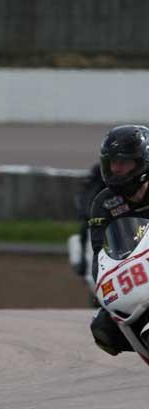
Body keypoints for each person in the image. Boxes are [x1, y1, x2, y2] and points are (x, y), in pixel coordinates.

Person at [88, 125, 149, 355]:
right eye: (111, 162)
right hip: (136, 277)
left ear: (142, 162)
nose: (116, 169)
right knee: (103, 330)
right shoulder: (103, 203)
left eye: (123, 163)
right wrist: (104, 293)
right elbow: (99, 255)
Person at [72, 163, 105, 277]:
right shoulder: (98, 172)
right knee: (85, 230)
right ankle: (84, 261)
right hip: (103, 215)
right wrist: (88, 213)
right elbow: (86, 194)